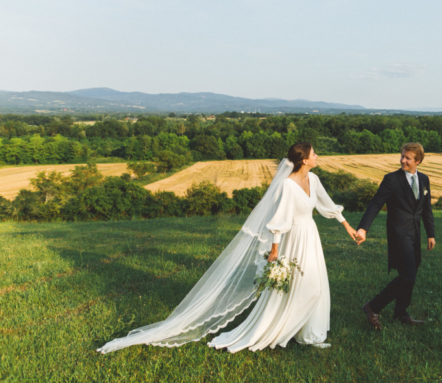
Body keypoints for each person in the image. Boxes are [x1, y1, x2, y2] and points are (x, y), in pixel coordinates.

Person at [97, 143, 356, 354]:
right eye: (314, 154)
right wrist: (275, 251)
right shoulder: (287, 185)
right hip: (293, 239)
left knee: (316, 283)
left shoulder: (314, 178)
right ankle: (284, 328)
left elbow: (327, 205)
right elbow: (279, 219)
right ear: (304, 160)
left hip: (310, 235)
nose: (317, 156)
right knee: (298, 286)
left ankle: (311, 333)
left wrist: (348, 227)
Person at [355, 142, 436, 330]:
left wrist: (430, 233)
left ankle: (401, 313)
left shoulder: (424, 180)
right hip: (399, 233)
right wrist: (363, 228)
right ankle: (372, 306)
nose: (403, 160)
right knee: (407, 275)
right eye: (402, 156)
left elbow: (426, 209)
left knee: (411, 273)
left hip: (415, 233)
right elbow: (375, 204)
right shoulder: (391, 179)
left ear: (418, 161)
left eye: (407, 158)